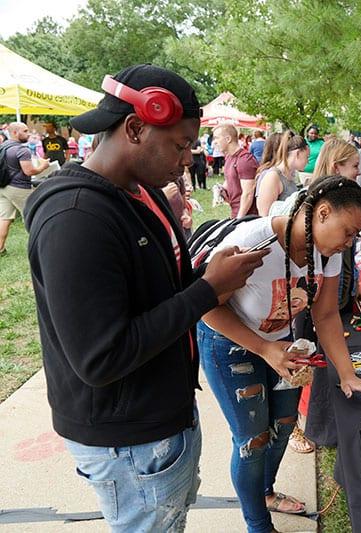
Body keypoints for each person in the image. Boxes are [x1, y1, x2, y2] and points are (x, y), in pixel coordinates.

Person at [24, 64, 269, 531]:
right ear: (135, 127)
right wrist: (207, 290)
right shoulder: (76, 219)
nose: (187, 160)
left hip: (158, 418)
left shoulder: (142, 192)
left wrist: (205, 274)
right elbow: (101, 358)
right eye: (179, 145)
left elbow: (152, 290)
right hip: (128, 438)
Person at [197, 175, 361, 533]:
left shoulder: (325, 251)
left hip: (280, 344)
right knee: (253, 442)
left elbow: (326, 314)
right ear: (324, 212)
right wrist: (265, 349)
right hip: (229, 344)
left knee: (284, 427)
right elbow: (207, 308)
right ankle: (258, 524)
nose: (349, 244)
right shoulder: (254, 243)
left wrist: (348, 374)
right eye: (347, 232)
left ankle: (264, 491)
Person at [292, 138, 361, 454]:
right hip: (298, 310)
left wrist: (352, 287)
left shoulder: (332, 245)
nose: (349, 242)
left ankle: (307, 424)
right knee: (299, 365)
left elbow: (327, 312)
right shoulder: (295, 214)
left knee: (320, 370)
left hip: (316, 309)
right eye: (355, 167)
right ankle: (294, 423)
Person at [0, 122, 49, 256]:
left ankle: (0, 249)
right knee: (34, 216)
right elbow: (29, 171)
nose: (29, 134)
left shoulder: (3, 146)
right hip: (19, 188)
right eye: (25, 131)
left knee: (4, 218)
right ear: (15, 132)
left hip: (3, 187)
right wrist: (43, 166)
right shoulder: (22, 150)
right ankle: (41, 248)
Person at [255, 131, 309, 216]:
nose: (308, 161)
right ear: (297, 153)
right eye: (307, 156)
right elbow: (264, 217)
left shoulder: (291, 175)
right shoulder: (272, 177)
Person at [215, 124, 259, 219]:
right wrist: (221, 191)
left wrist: (238, 220)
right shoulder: (229, 157)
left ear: (228, 139)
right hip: (235, 213)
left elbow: (248, 193)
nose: (215, 142)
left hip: (248, 217)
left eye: (217, 138)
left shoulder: (245, 160)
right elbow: (229, 180)